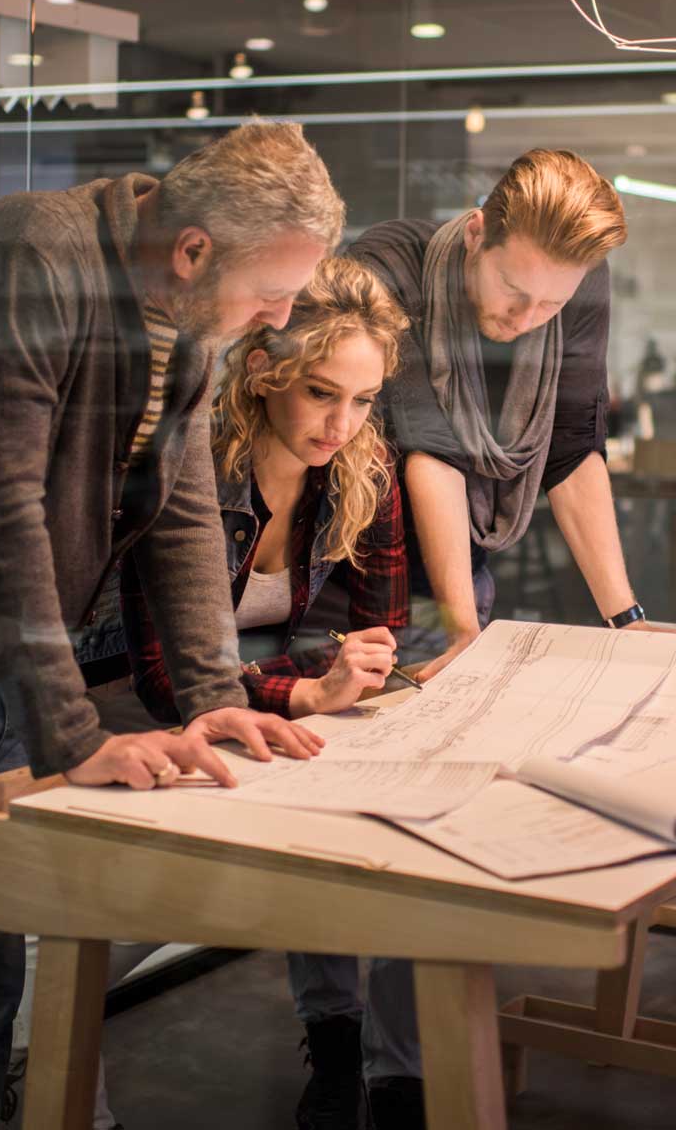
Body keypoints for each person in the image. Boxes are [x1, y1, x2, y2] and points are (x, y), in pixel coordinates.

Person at [0, 120, 339, 1129]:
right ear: (195, 249)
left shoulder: (188, 319)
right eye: (272, 291)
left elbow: (174, 511)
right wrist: (74, 735)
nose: (281, 315)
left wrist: (213, 696)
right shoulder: (29, 257)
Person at [333, 148, 671, 1124]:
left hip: (451, 558)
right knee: (327, 798)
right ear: (476, 233)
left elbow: (570, 445)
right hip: (353, 555)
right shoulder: (395, 267)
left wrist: (625, 615)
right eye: (515, 292)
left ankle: (399, 1067)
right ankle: (329, 1031)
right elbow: (425, 446)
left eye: (547, 305)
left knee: (426, 811)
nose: (527, 318)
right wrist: (467, 627)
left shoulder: (575, 286)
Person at [122, 256, 410, 1130]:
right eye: (324, 392)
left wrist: (342, 673)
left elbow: (382, 628)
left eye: (363, 400)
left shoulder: (360, 466)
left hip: (264, 700)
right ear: (263, 368)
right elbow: (167, 673)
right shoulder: (191, 467)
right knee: (88, 933)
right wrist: (309, 691)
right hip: (138, 708)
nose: (343, 423)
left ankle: (342, 1056)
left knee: (348, 815)